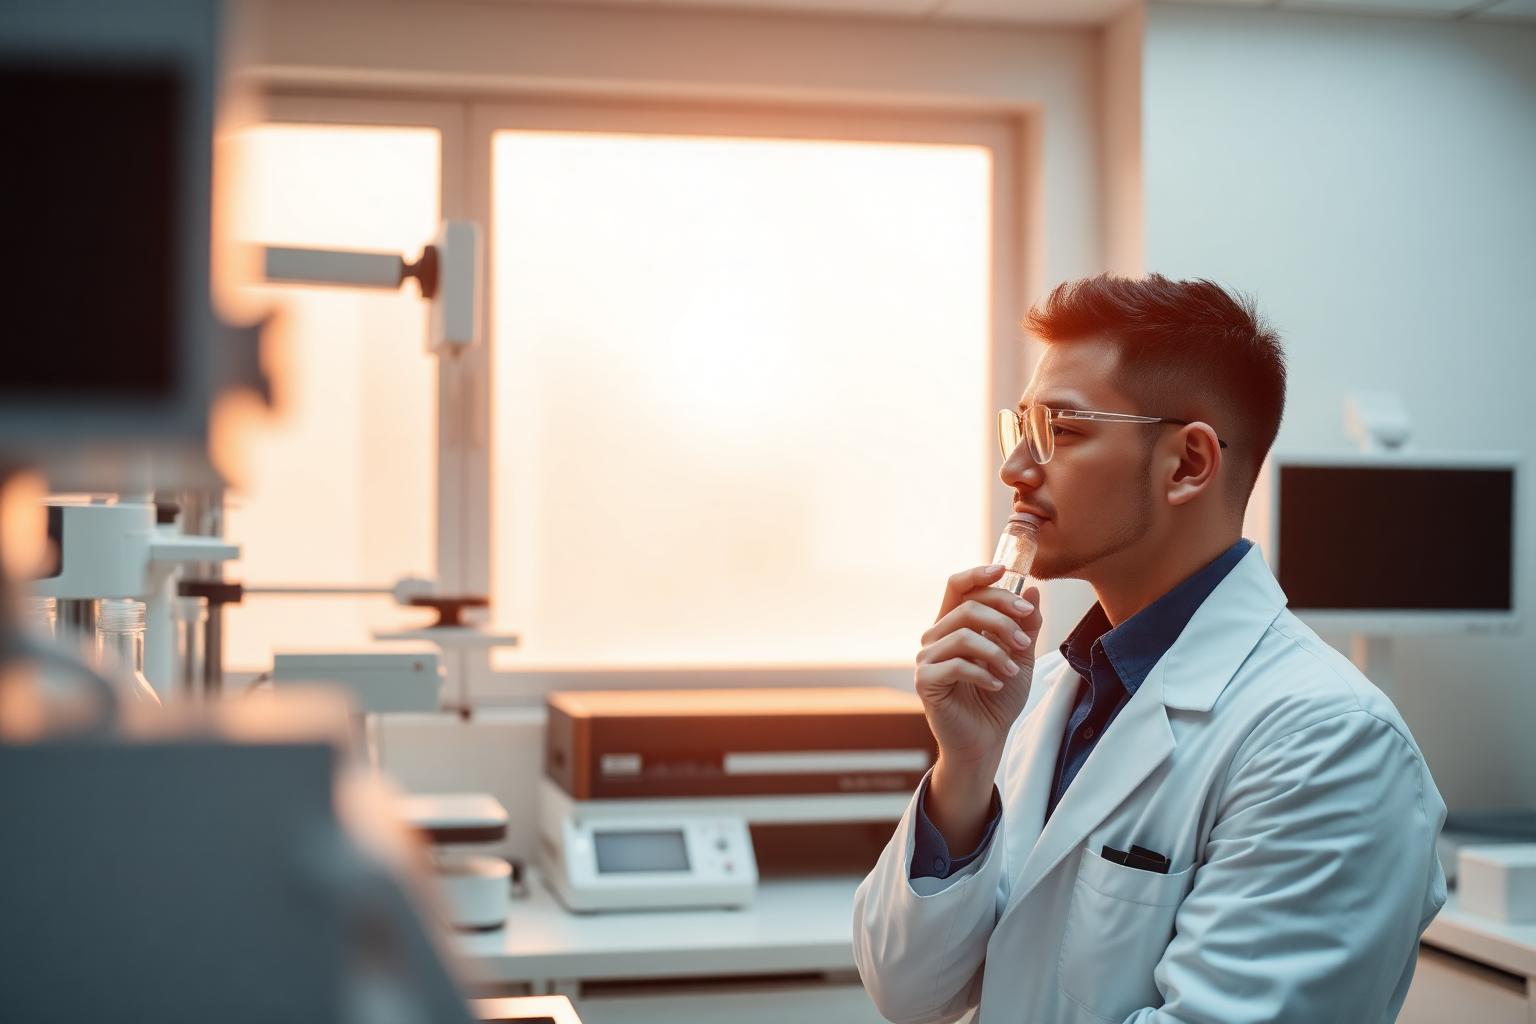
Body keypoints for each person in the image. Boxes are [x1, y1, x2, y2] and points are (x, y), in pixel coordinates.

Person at [853, 274, 1447, 1024]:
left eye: (1061, 432)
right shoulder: (1035, 698)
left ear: (1188, 465)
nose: (1015, 470)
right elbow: (907, 993)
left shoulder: (1332, 744)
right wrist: (964, 768)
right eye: (1021, 430)